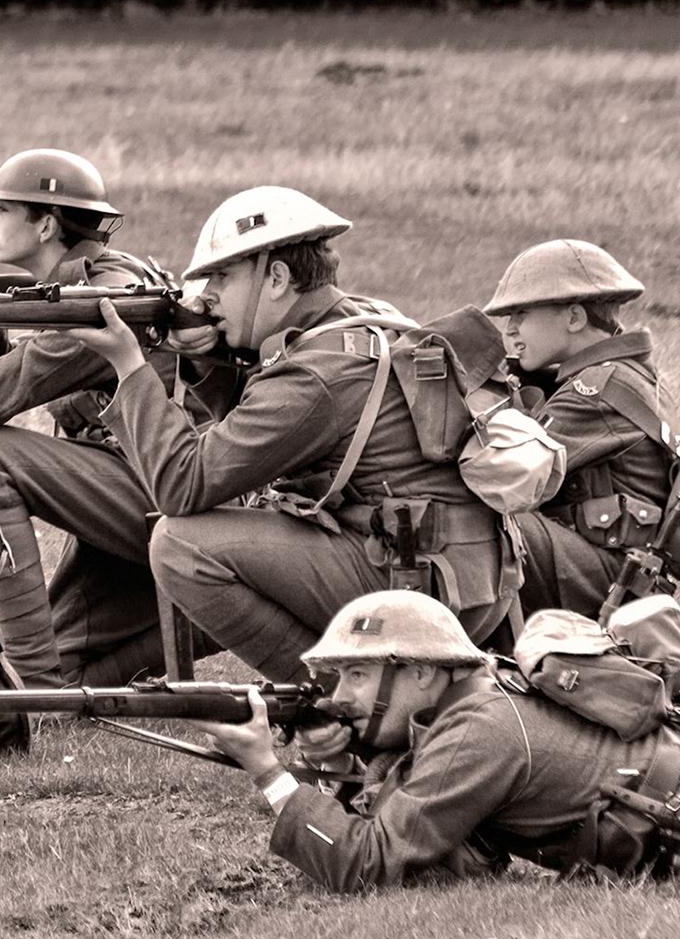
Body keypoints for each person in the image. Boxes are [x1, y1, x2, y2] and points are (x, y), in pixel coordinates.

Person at [65, 186, 519, 682]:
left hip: (415, 585)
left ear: (277, 277)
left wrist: (130, 365)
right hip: (470, 576)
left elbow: (182, 484)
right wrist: (201, 355)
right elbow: (268, 413)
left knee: (182, 545)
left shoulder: (316, 374)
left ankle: (338, 706)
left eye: (221, 276)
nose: (206, 295)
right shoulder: (364, 319)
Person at [198, 590, 680, 889]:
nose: (340, 695)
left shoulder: (480, 731)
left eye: (359, 674)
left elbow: (366, 863)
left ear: (424, 672)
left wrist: (268, 771)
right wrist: (343, 764)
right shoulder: (476, 700)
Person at [0, 150, 218, 687]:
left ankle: (33, 697)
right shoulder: (92, 279)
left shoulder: (99, 298)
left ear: (47, 223)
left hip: (168, 488)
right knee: (65, 655)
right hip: (145, 483)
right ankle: (50, 686)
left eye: (2, 210)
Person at [485, 240, 674, 617]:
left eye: (521, 313)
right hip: (632, 570)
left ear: (574, 318)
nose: (510, 329)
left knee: (480, 521)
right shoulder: (634, 374)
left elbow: (506, 472)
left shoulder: (597, 391)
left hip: (621, 579)